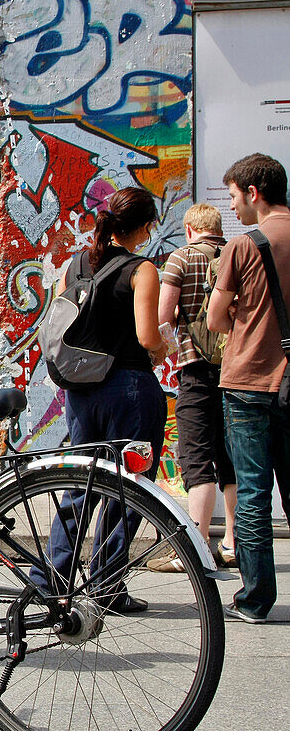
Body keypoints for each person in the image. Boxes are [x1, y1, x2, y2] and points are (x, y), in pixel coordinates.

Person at [34, 186, 168, 614]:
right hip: (129, 388)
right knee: (126, 490)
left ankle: (50, 583)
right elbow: (148, 337)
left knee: (78, 485)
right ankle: (108, 585)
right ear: (146, 228)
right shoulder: (141, 269)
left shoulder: (72, 265)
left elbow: (58, 325)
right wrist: (163, 347)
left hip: (81, 392)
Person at [208, 152, 290, 625]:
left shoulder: (243, 247)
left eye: (235, 196)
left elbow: (217, 319)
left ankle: (255, 600)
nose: (234, 206)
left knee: (255, 493)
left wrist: (243, 306)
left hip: (247, 381)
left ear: (254, 193)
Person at [151, 204, 237, 571]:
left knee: (197, 459)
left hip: (196, 370)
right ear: (216, 229)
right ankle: (233, 543)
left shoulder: (180, 259)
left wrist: (170, 341)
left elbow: (162, 316)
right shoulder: (236, 253)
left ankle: (198, 547)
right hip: (235, 369)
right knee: (230, 458)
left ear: (189, 229)